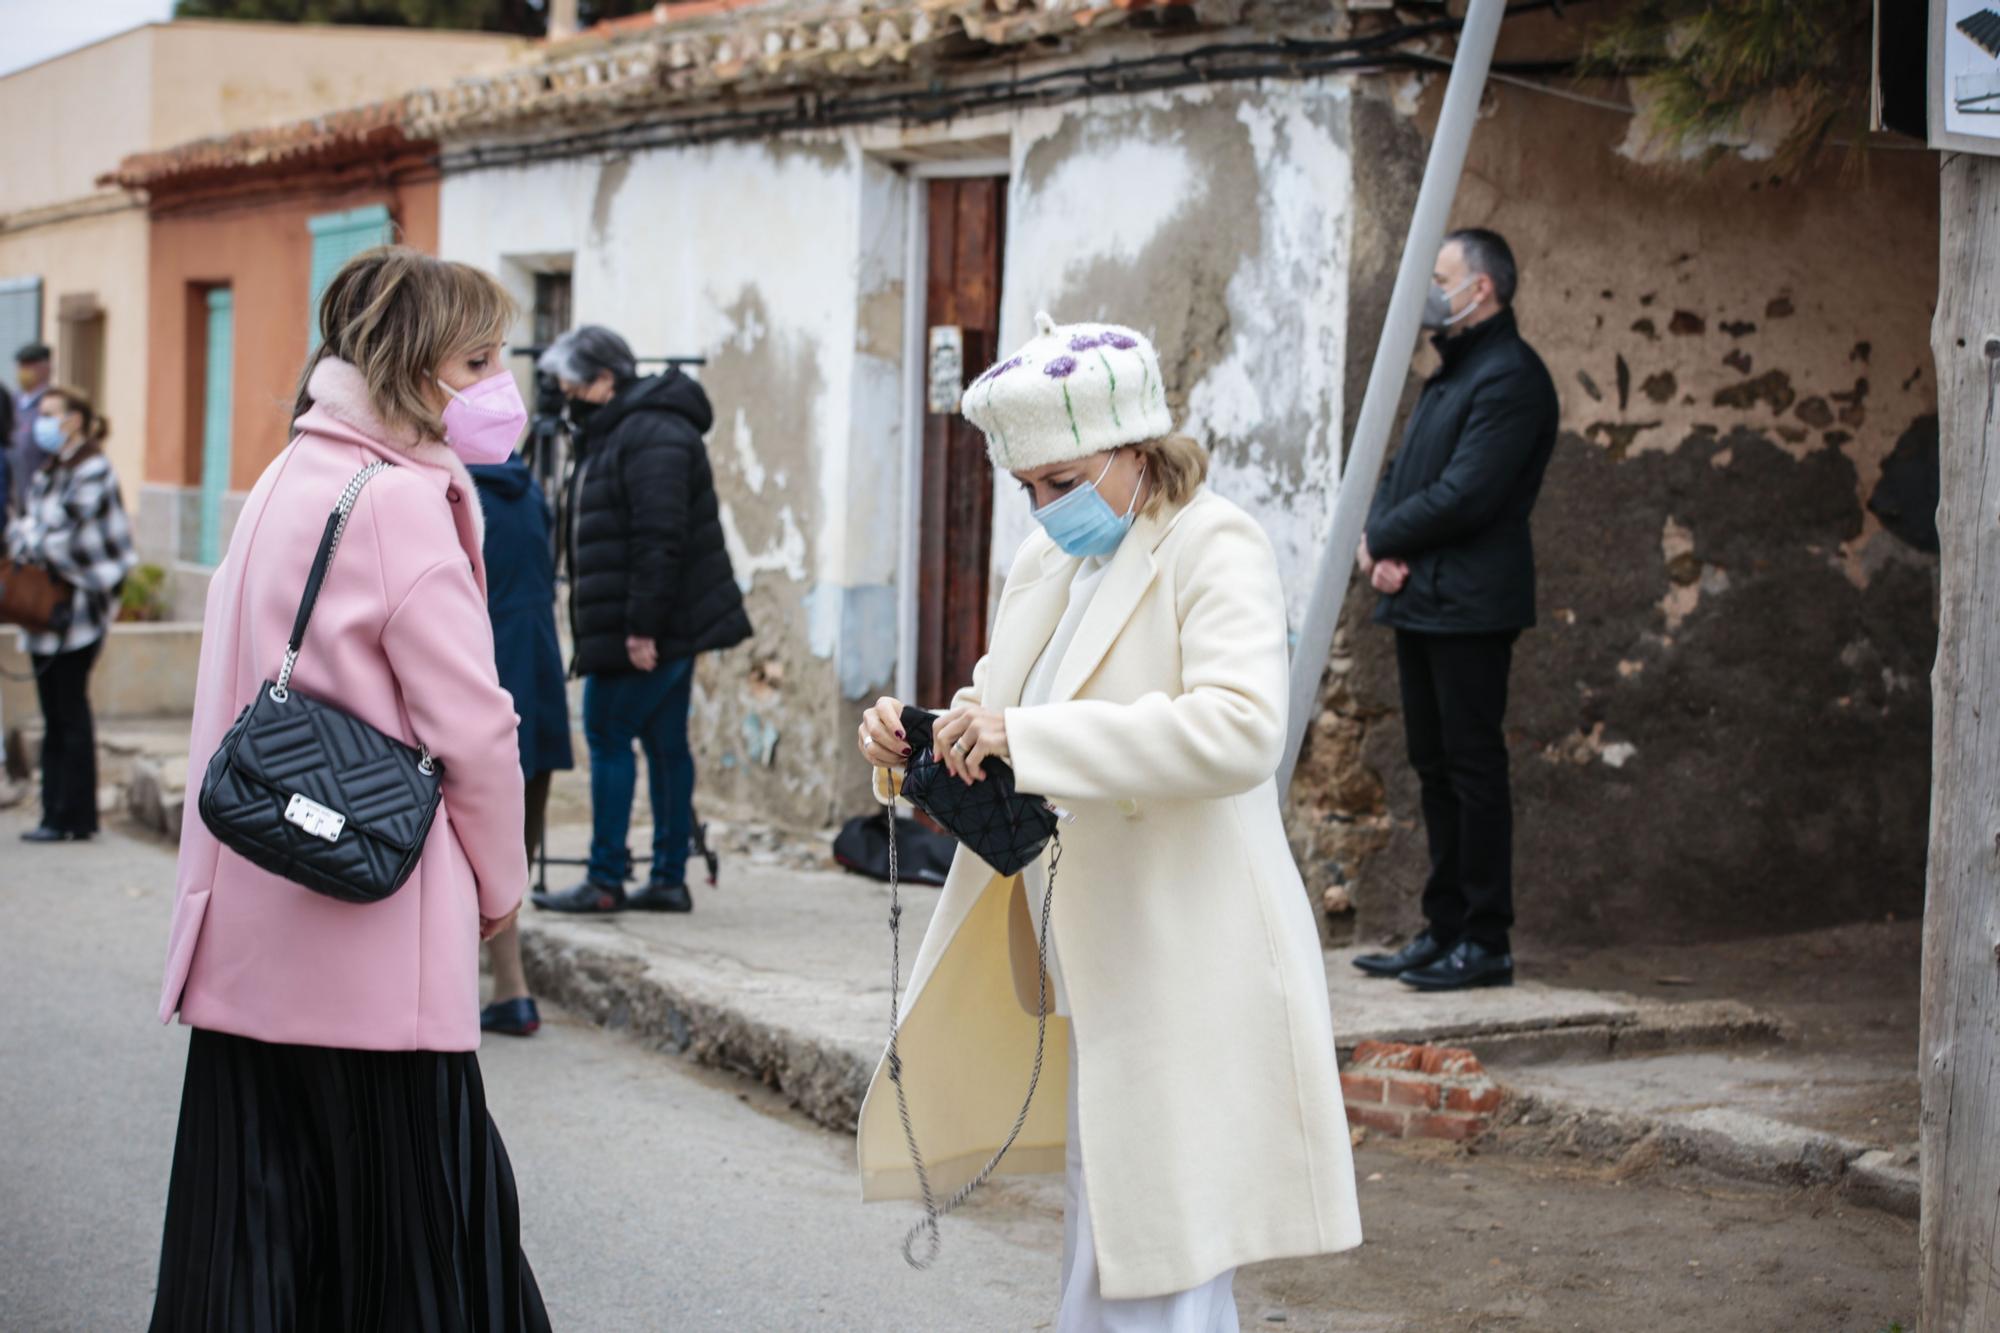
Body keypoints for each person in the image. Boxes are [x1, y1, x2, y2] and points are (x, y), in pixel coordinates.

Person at [854, 313, 1362, 1330]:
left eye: (1061, 479)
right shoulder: (1050, 563)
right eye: (1026, 487)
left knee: (1170, 1234)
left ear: (1137, 450)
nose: (1042, 508)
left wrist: (1023, 736)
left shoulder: (1214, 543)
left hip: (1186, 936)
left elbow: (1238, 730)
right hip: (1087, 940)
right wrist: (918, 737)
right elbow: (1002, 701)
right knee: (1113, 1216)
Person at [150, 247, 551, 1331]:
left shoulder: (288, 474)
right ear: (422, 374)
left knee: (257, 1244)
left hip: (251, 929)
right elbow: (473, 732)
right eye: (480, 356)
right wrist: (499, 886)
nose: (499, 378)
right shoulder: (400, 505)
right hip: (372, 949)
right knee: (417, 1249)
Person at [1352, 228, 1559, 993]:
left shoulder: (1511, 378)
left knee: (1473, 769)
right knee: (1434, 768)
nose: (1428, 289)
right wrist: (1377, 544)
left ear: (1482, 288)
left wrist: (1380, 535)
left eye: (1440, 275)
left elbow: (1470, 493)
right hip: (1423, 600)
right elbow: (1403, 473)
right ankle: (1441, 931)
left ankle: (1485, 939)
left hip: (1471, 604)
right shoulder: (1450, 375)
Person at [530, 325, 750, 915]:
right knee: (664, 742)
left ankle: (605, 878)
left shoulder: (651, 432)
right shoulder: (627, 427)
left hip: (650, 627)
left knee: (606, 733)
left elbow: (660, 538)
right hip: (654, 621)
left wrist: (641, 629)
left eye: (574, 383)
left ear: (606, 379)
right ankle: (668, 877)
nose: (565, 394)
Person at [470, 451, 574, 1036]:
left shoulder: (454, 495)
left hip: (491, 671)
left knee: (471, 842)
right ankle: (512, 990)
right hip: (536, 671)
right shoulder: (528, 490)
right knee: (513, 842)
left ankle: (491, 990)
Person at [5, 384, 136, 843]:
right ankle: (56, 814)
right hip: (47, 613)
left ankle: (72, 817)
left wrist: (31, 542)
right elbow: (25, 529)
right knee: (54, 713)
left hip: (78, 612)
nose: (41, 422)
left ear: (76, 418)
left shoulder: (93, 469)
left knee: (69, 711)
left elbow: (59, 538)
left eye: (51, 413)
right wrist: (30, 541)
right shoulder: (52, 470)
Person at [9, 342, 52, 515]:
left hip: (39, 492)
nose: (23, 371)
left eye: (29, 365)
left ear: (46, 368)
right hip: (12, 492)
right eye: (21, 366)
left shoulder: (51, 402)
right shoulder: (12, 402)